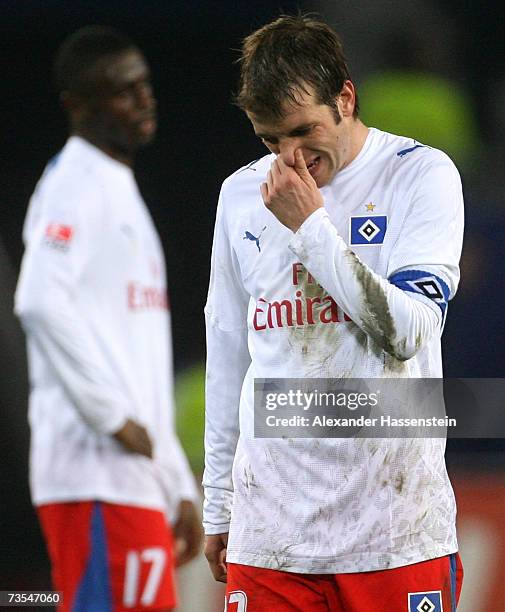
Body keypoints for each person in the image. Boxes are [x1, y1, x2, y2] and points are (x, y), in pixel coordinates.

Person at [203, 15, 464, 611]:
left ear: (345, 98)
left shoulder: (421, 175)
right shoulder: (239, 196)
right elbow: (227, 350)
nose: (290, 159)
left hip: (396, 531)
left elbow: (408, 332)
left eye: (302, 131)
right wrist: (218, 500)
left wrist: (310, 226)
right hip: (271, 536)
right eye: (270, 140)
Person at [15, 26, 202, 611]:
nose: (143, 99)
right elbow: (39, 298)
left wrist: (176, 482)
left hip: (133, 480)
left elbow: (136, 360)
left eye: (144, 84)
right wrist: (111, 418)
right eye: (122, 91)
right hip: (92, 473)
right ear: (78, 105)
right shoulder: (75, 183)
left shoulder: (119, 189)